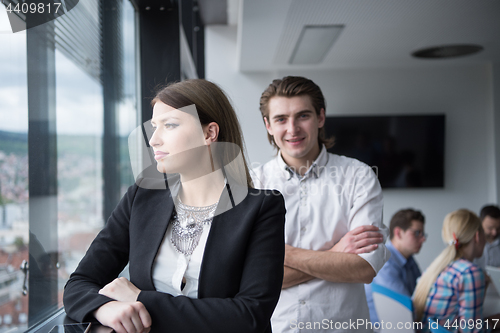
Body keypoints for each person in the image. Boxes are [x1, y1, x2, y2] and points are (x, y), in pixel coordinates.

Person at [63, 79, 286, 333]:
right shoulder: (141, 198)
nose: (154, 140)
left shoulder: (262, 208)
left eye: (169, 125)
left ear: (209, 133)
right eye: (154, 127)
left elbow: (249, 316)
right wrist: (104, 308)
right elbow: (80, 283)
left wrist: (139, 299)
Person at [252, 76, 389, 333]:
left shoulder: (358, 176)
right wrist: (336, 254)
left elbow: (364, 268)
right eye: (281, 119)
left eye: (302, 116)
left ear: (321, 118)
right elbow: (250, 281)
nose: (292, 129)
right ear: (268, 125)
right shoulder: (254, 184)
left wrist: (281, 253)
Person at [413, 209, 500, 333]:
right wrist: (493, 321)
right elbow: (472, 331)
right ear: (477, 236)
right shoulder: (470, 272)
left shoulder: (436, 267)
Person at [365, 208, 426, 324]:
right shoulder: (384, 262)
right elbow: (407, 308)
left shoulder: (409, 260)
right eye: (417, 233)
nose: (423, 239)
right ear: (398, 233)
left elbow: (421, 296)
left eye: (423, 234)